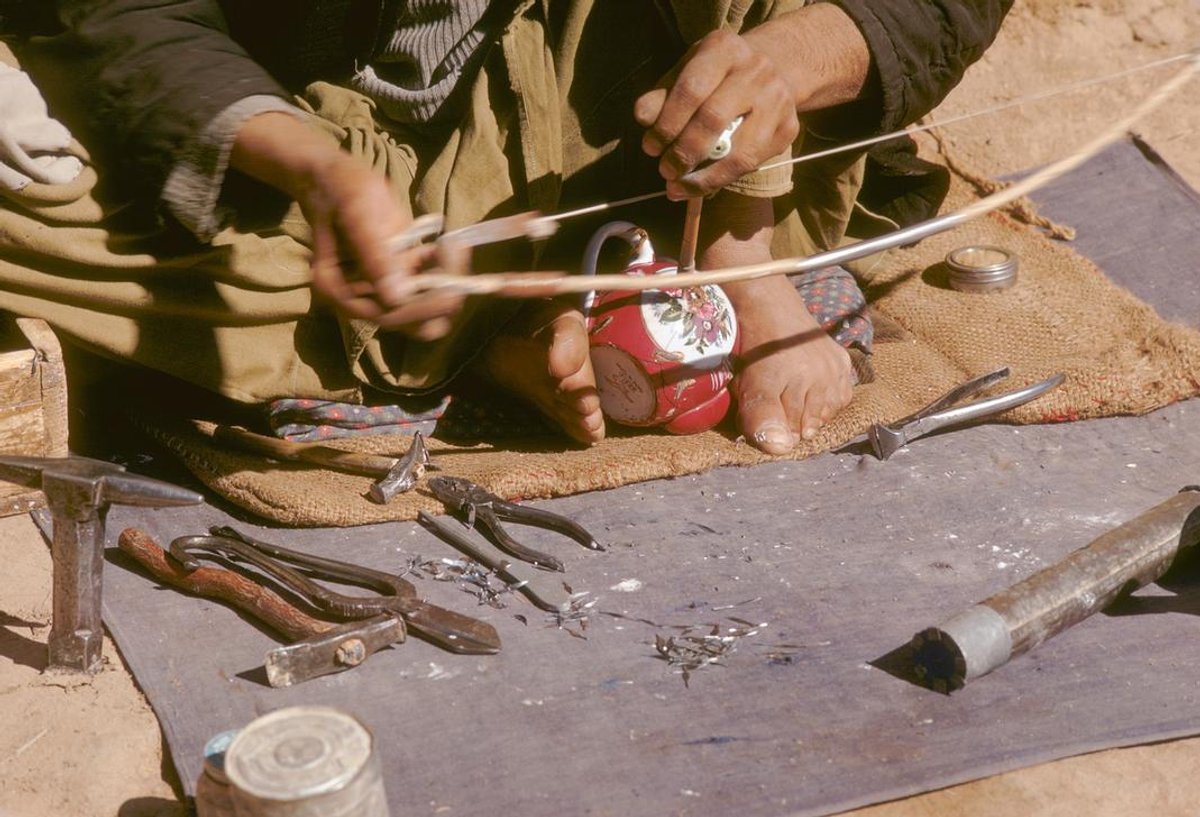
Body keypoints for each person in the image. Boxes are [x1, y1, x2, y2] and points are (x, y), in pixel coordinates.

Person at [3, 0, 1011, 453]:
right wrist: (314, 167)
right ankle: (497, 324)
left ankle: (737, 248)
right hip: (328, 129)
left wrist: (791, 57)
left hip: (651, 95)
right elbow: (118, 14)